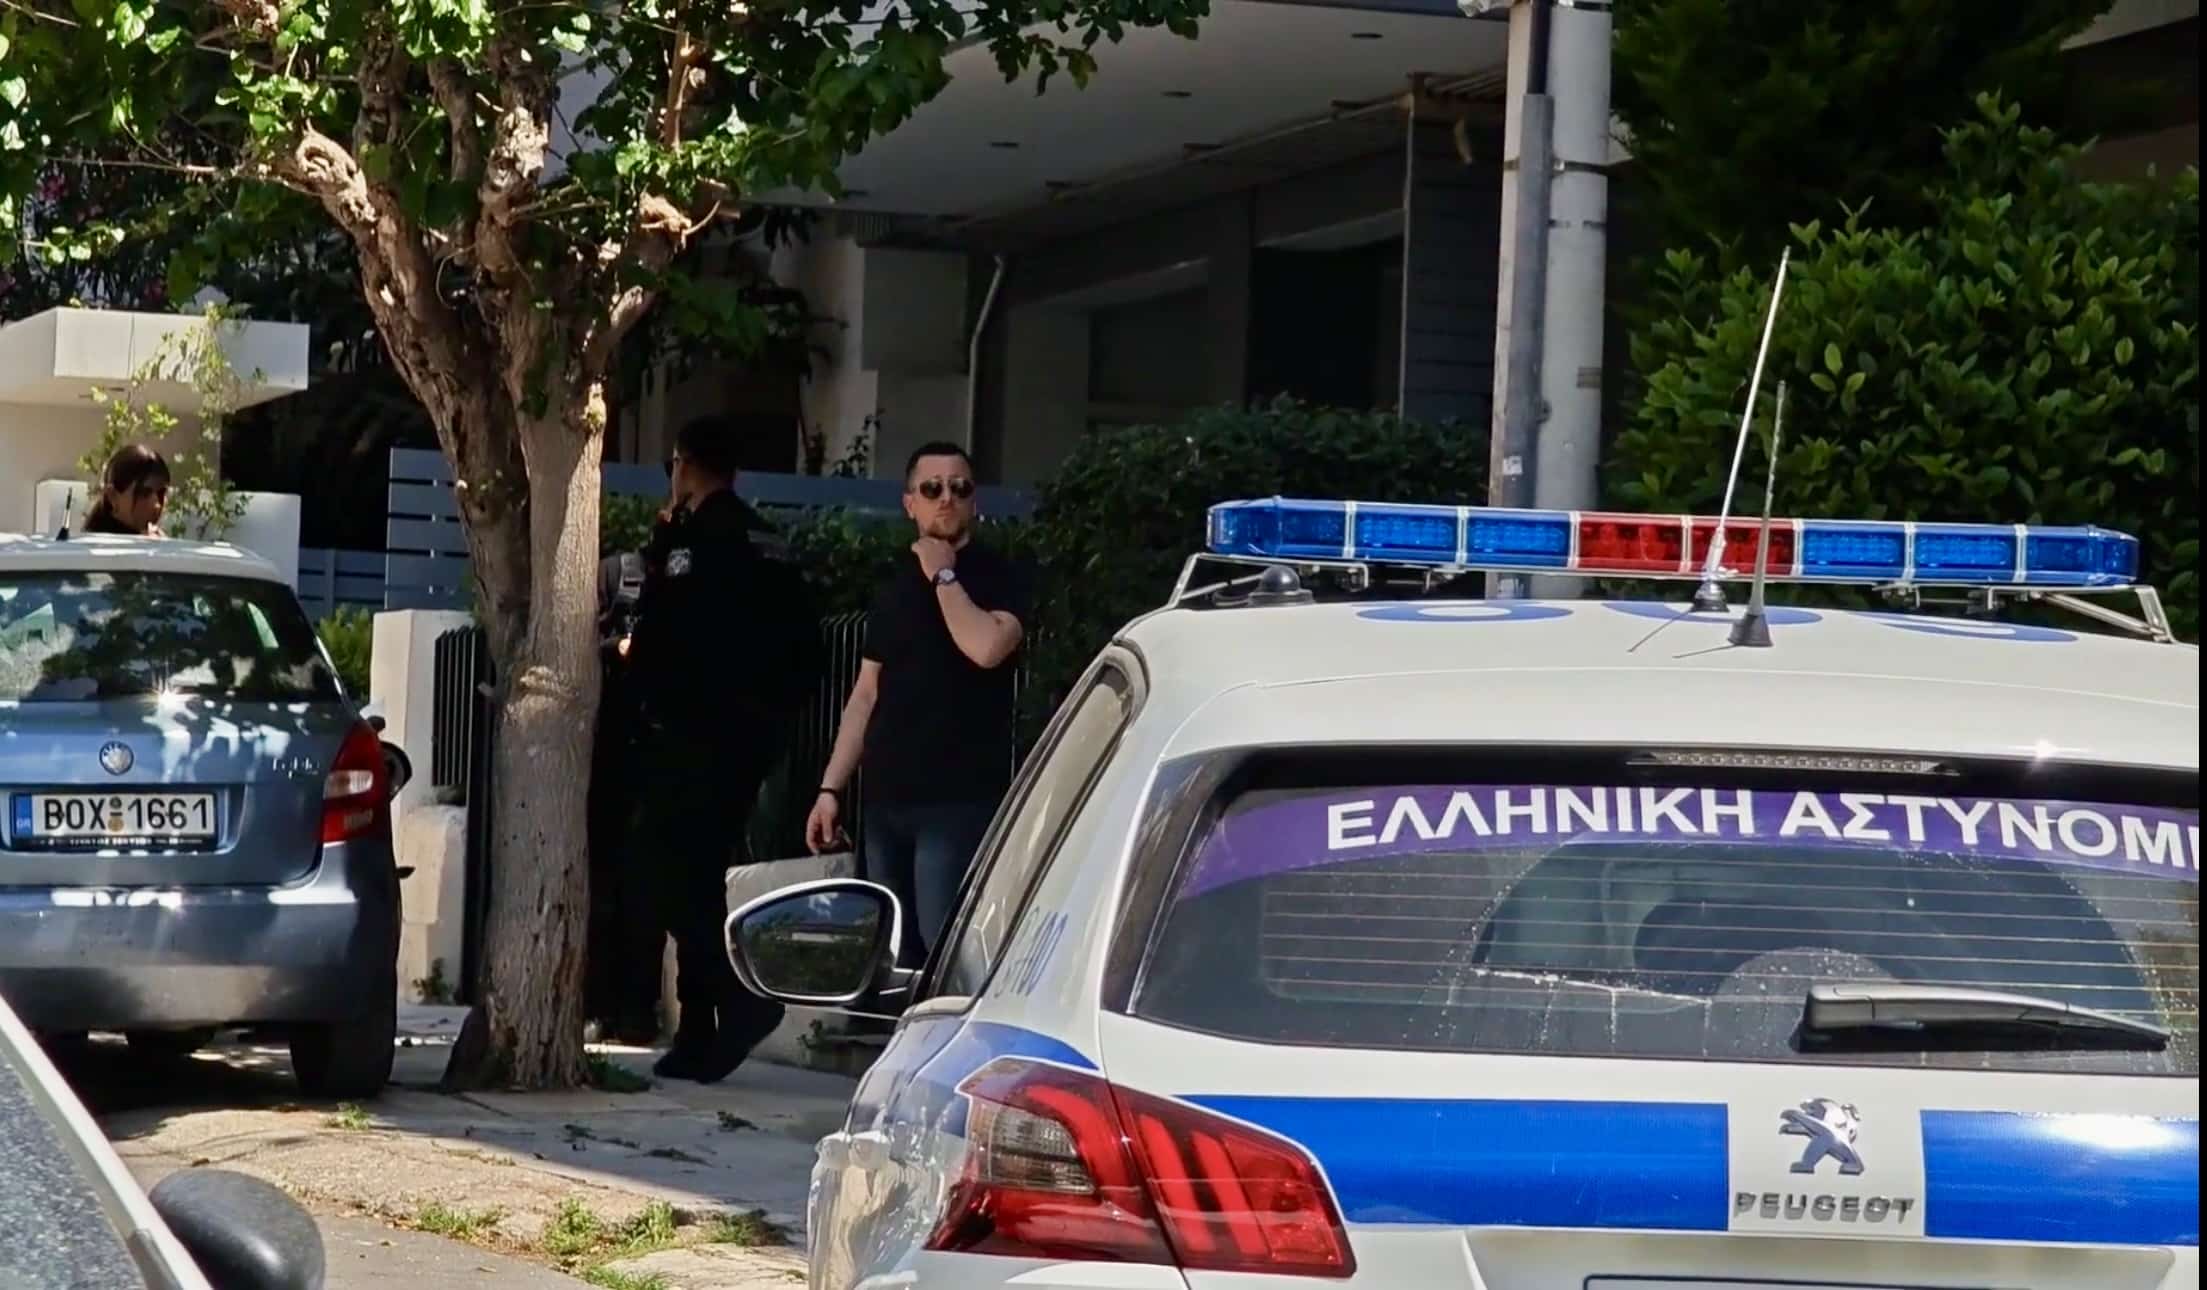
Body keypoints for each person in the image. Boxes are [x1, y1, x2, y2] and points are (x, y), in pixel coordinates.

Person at [624, 418, 820, 1082]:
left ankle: (733, 1002)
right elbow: (807, 648)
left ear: (685, 466)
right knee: (696, 877)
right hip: (750, 738)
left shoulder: (693, 543)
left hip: (694, 734)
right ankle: (701, 1028)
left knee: (667, 873)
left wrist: (661, 546)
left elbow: (662, 637)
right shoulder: (770, 542)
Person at [804, 442, 1031, 960]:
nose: (946, 498)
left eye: (959, 488)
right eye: (932, 489)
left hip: (957, 800)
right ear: (910, 503)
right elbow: (866, 694)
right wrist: (830, 788)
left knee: (943, 947)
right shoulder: (895, 588)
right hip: (886, 800)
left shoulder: (998, 575)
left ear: (974, 501)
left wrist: (944, 575)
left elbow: (987, 648)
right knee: (889, 951)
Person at [583, 543, 662, 1047]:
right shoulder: (617, 575)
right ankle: (598, 1006)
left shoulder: (690, 585)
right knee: (604, 889)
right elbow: (577, 647)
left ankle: (637, 1011)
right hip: (609, 756)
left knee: (646, 894)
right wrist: (618, 648)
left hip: (661, 757)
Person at [80, 443, 170, 536]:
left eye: (161, 493)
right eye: (144, 493)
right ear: (113, 497)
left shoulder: (156, 540)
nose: (157, 505)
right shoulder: (94, 543)